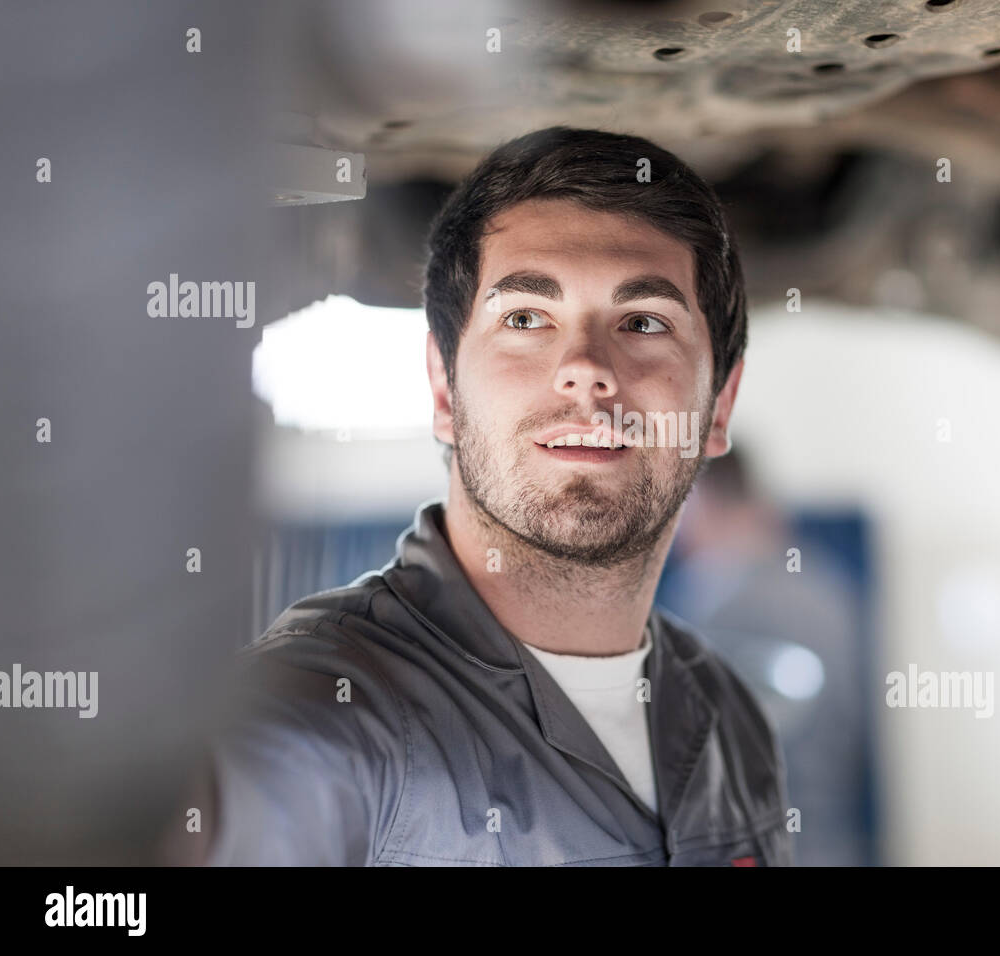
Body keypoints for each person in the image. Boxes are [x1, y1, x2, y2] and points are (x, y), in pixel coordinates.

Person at [179, 126, 793, 866]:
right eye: (526, 318)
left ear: (718, 407)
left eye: (643, 322)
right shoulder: (321, 722)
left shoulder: (728, 719)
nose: (586, 369)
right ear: (444, 389)